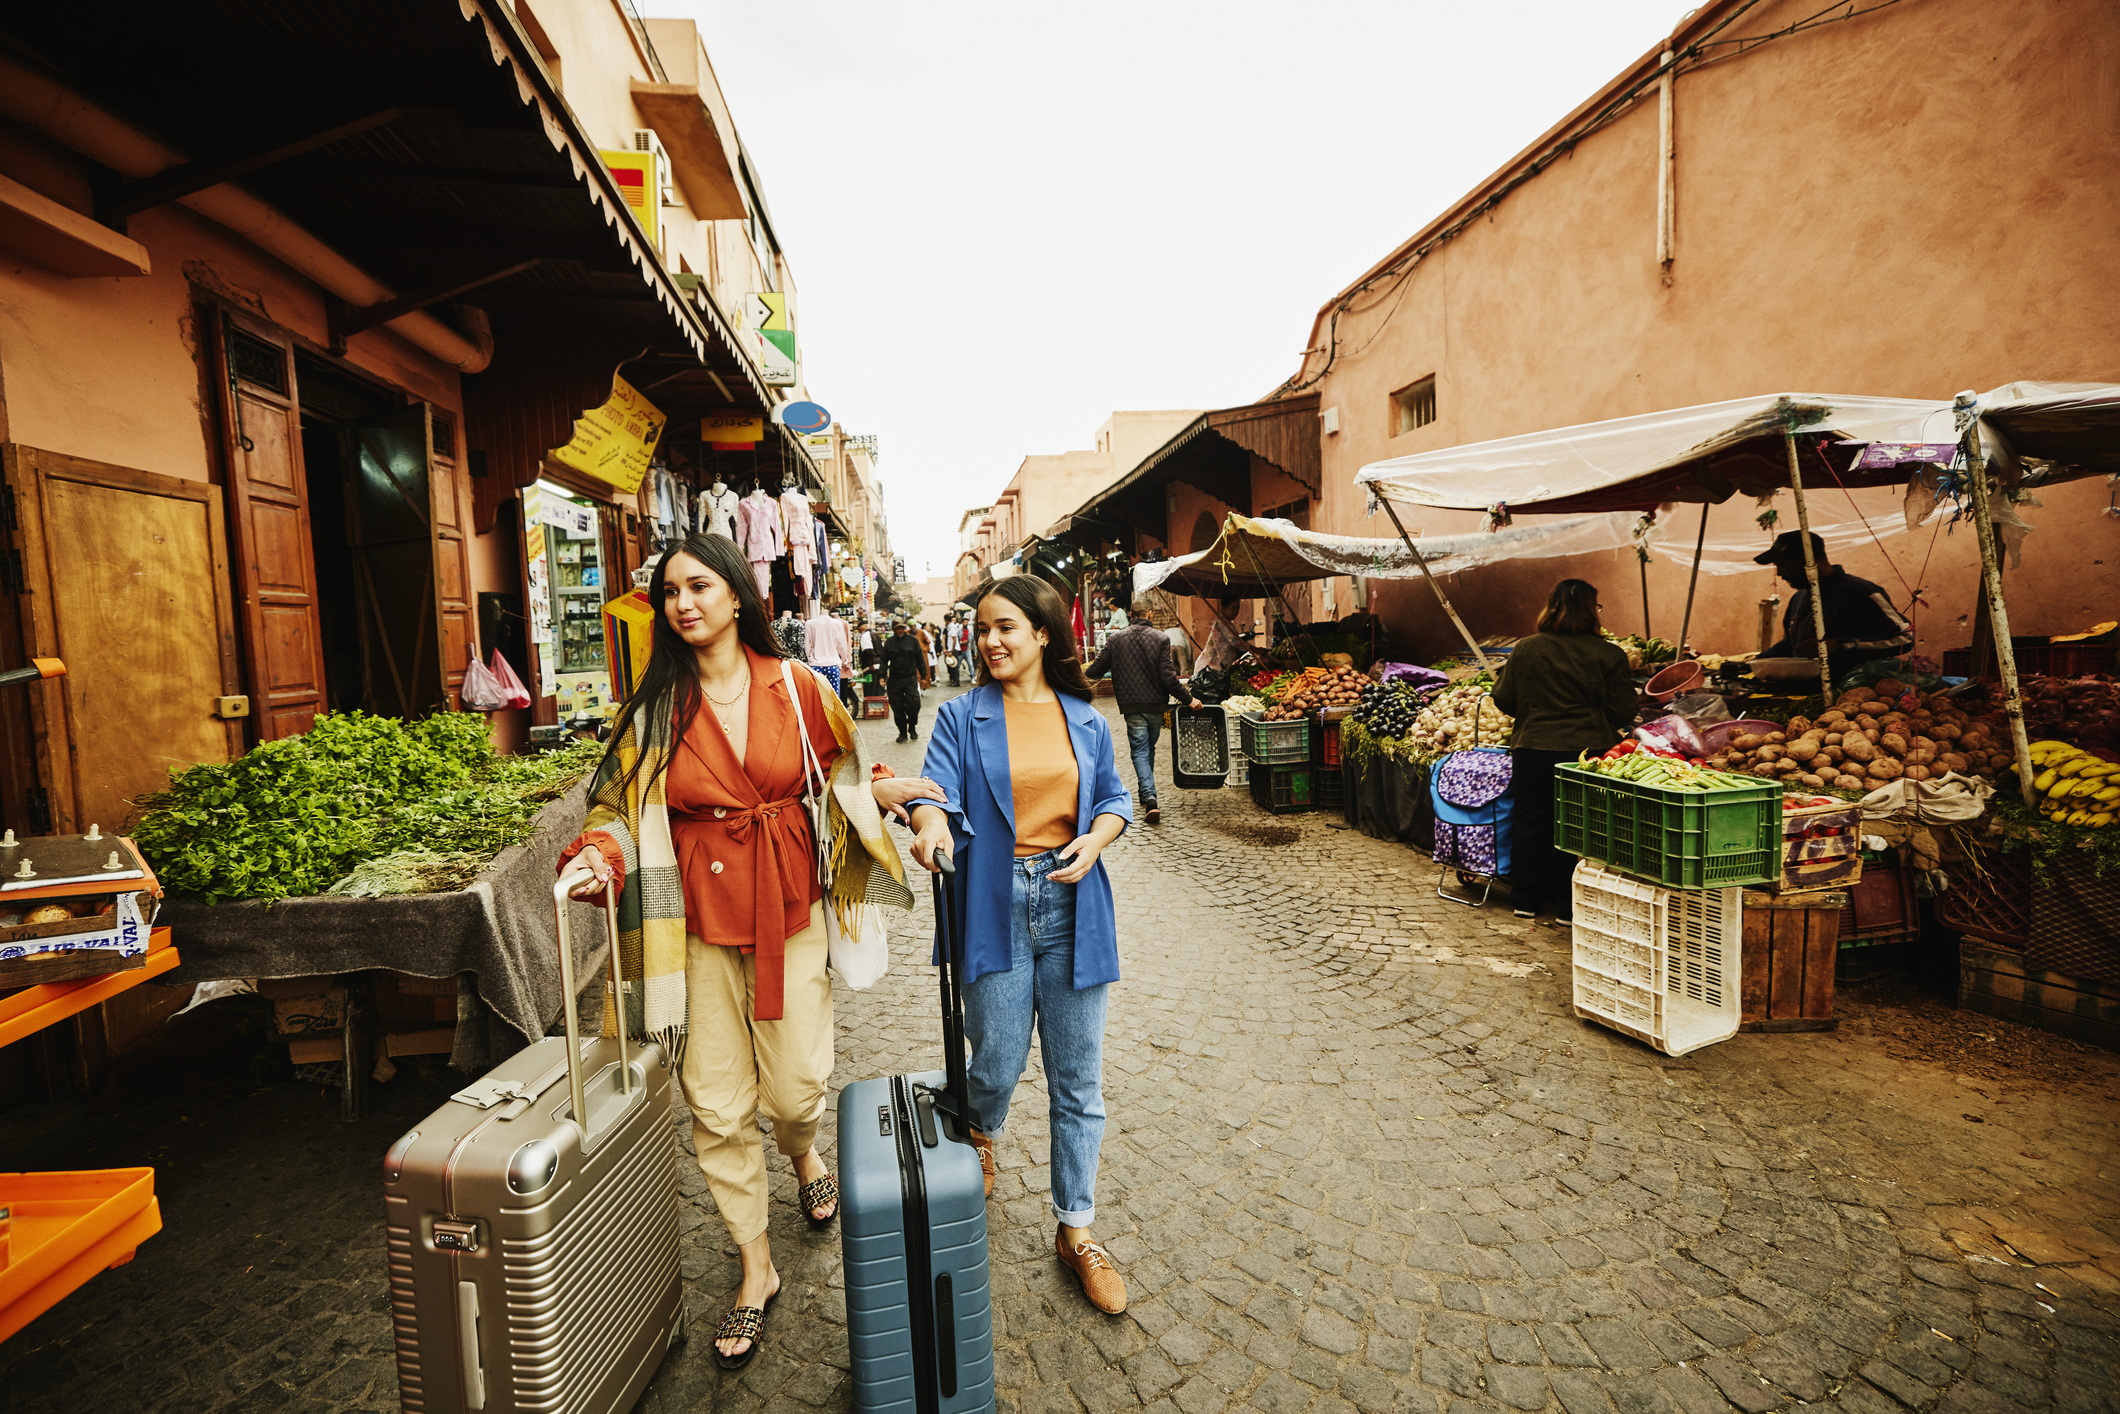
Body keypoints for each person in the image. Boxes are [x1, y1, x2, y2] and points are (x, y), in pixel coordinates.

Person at [557, 534, 944, 1369]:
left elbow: (835, 777)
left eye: (700, 586)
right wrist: (600, 856)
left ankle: (803, 1147)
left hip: (790, 909)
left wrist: (886, 795)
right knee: (715, 1103)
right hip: (690, 924)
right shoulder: (653, 709)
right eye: (669, 593)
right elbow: (611, 807)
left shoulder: (800, 685)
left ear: (738, 596)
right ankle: (754, 1265)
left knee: (798, 1083)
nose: (684, 603)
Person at [907, 575, 1134, 1313]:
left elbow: (1112, 800)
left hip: (1073, 903)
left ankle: (1077, 1228)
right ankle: (981, 1127)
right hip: (992, 902)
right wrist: (931, 824)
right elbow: (933, 791)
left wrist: (1097, 841)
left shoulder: (1085, 719)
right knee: (996, 1060)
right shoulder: (959, 716)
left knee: (1078, 1080)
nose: (992, 641)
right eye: (982, 630)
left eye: (1006, 627)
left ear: (1043, 633)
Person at [1490, 579, 1637, 924]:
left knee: (1531, 823)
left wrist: (1534, 712)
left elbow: (1504, 698)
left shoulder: (1526, 649)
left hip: (1533, 748)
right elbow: (1623, 711)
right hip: (1588, 754)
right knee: (1579, 828)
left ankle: (1525, 900)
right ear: (1591, 611)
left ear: (1551, 606)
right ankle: (1568, 908)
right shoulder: (1609, 654)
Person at [1086, 602, 1202, 825]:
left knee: (1141, 750)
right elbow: (1168, 678)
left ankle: (1146, 794)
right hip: (1156, 705)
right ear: (1149, 614)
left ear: (1130, 614)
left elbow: (1095, 671)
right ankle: (1149, 795)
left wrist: (1074, 688)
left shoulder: (1116, 639)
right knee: (1147, 748)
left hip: (1131, 705)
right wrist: (1189, 699)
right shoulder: (1160, 639)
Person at [1753, 531, 1912, 684]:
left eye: (1782, 565)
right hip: (1808, 695)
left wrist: (1839, 644)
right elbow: (1792, 645)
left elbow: (1904, 637)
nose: (1779, 573)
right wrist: (1757, 662)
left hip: (1852, 696)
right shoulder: (1799, 598)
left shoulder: (1861, 592)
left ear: (1805, 561)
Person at [882, 619, 927, 741]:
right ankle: (902, 732)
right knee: (896, 706)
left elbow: (920, 659)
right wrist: (881, 676)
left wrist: (923, 677)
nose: (900, 630)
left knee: (914, 703)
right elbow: (884, 661)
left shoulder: (913, 641)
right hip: (895, 679)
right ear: (894, 629)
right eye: (898, 628)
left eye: (902, 628)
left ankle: (912, 727)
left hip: (910, 678)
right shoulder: (889, 643)